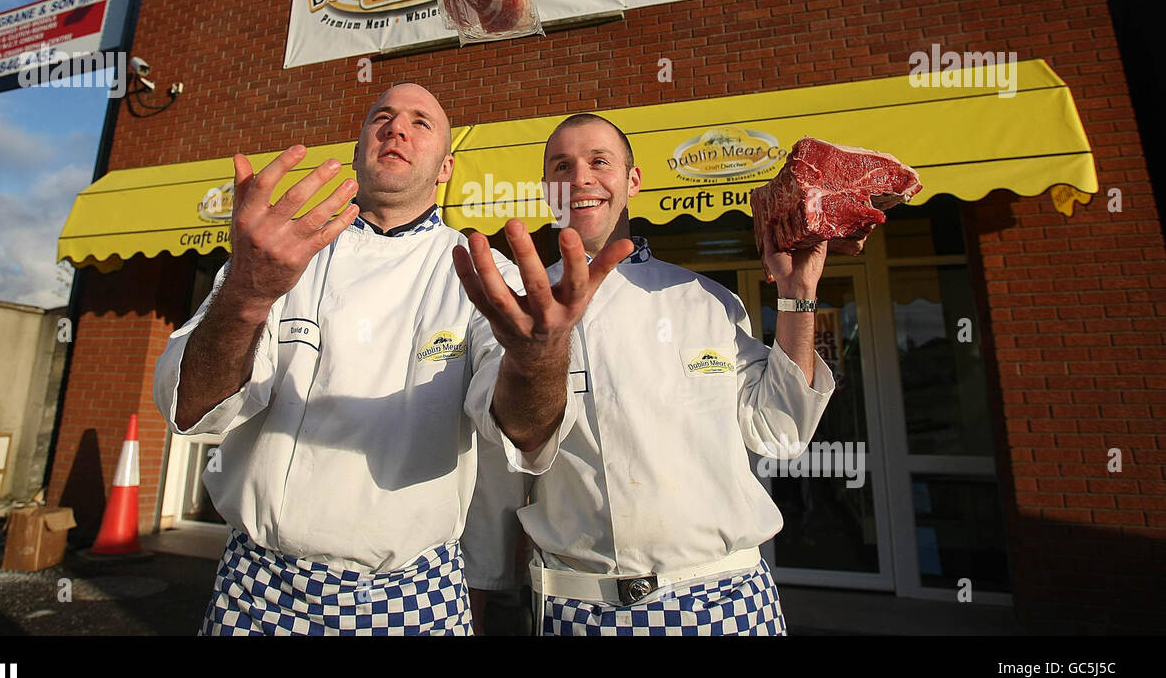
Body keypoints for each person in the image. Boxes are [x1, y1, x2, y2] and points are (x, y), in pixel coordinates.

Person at [152, 84, 630, 635]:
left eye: (421, 122)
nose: (397, 129)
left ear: (446, 166)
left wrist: (539, 359)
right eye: (383, 116)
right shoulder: (277, 253)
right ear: (357, 151)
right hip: (259, 592)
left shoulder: (479, 269)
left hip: (412, 596)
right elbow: (190, 408)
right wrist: (246, 296)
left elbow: (525, 433)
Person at [454, 113, 836, 635]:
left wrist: (798, 296)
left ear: (633, 181)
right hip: (582, 609)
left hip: (729, 599)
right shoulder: (516, 308)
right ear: (546, 189)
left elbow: (779, 428)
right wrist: (537, 356)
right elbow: (514, 442)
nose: (581, 178)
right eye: (562, 166)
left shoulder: (708, 300)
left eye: (599, 162)